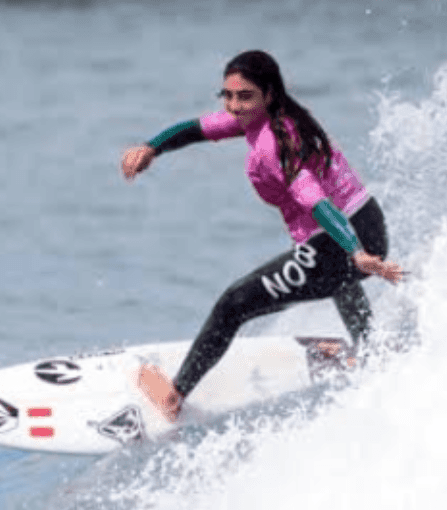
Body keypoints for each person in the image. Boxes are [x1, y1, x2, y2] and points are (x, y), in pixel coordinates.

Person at [121, 49, 403, 422]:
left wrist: (354, 251)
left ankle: (174, 395)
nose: (234, 106)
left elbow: (314, 200)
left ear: (269, 95)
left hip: (342, 236)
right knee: (336, 279)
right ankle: (373, 352)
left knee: (233, 304)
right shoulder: (270, 118)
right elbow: (196, 129)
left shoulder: (273, 144)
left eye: (245, 96)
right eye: (228, 95)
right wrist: (152, 147)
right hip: (367, 221)